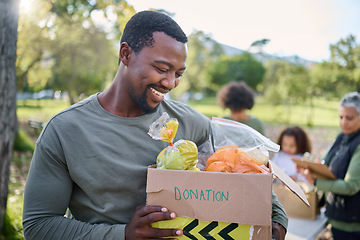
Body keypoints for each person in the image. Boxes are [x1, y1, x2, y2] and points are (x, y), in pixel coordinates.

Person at [22, 11, 287, 239]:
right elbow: (38, 226)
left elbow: (245, 170)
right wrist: (123, 234)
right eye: (162, 69)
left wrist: (276, 219)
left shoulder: (191, 123)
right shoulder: (65, 130)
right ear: (126, 54)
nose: (171, 83)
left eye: (178, 74)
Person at [299, 92, 360, 240]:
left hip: (352, 224)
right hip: (337, 217)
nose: (344, 122)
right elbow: (325, 163)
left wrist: (316, 182)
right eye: (341, 117)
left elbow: (351, 186)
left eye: (349, 118)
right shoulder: (342, 136)